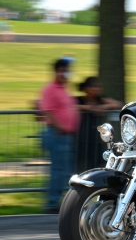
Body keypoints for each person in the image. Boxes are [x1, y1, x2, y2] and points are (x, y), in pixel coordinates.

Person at [40, 58, 80, 214]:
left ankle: (60, 201)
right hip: (57, 134)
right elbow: (48, 111)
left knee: (64, 170)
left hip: (64, 135)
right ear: (56, 71)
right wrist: (60, 127)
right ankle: (52, 203)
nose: (65, 74)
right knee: (58, 171)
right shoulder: (51, 89)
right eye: (62, 70)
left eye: (67, 71)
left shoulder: (64, 89)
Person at [75, 76, 123, 173]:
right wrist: (89, 108)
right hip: (81, 138)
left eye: (98, 87)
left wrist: (104, 107)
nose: (97, 89)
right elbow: (71, 106)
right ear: (86, 89)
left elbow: (118, 104)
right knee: (82, 164)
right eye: (93, 87)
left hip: (96, 139)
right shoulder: (79, 100)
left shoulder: (100, 100)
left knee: (96, 164)